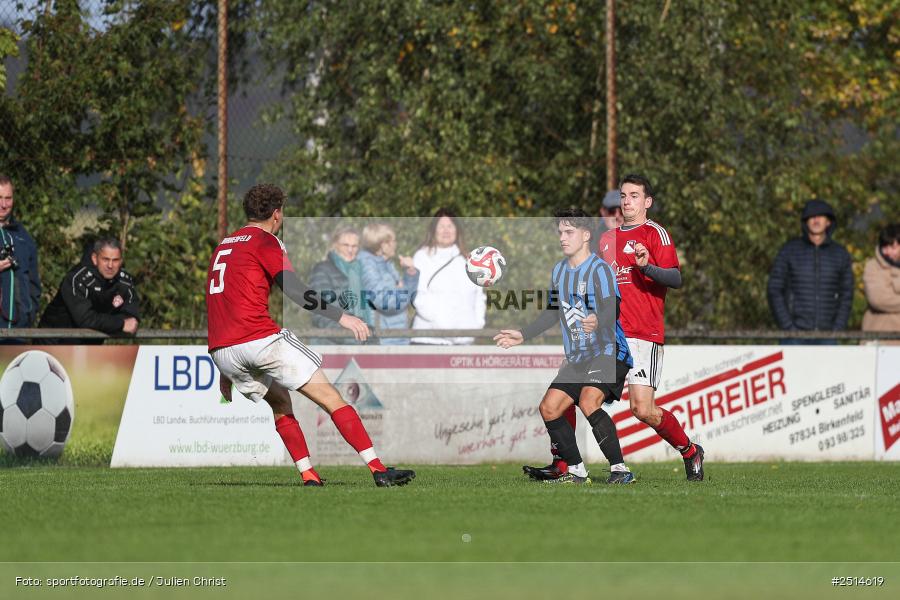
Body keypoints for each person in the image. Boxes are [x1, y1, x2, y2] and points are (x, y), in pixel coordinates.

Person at [205, 183, 414, 487]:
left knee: (280, 402)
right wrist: (341, 315)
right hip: (259, 340)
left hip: (223, 349)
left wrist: (224, 366)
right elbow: (293, 289)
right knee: (330, 397)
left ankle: (309, 475)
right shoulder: (266, 241)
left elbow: (219, 300)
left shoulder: (224, 245)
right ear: (276, 214)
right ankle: (379, 470)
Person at [525, 174, 705, 482]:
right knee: (567, 388)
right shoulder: (606, 240)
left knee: (643, 409)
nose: (626, 201)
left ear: (647, 202)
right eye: (623, 196)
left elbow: (676, 279)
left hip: (643, 334)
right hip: (608, 336)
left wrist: (646, 267)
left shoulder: (656, 234)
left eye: (634, 196)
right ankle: (564, 465)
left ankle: (689, 450)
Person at [495, 208, 635, 485]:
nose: (562, 237)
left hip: (608, 351)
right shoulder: (559, 270)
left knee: (588, 401)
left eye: (569, 231)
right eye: (560, 232)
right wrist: (523, 334)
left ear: (585, 235)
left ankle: (620, 470)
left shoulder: (600, 269)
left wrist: (598, 319)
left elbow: (613, 307)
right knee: (549, 408)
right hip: (579, 357)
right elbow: (552, 312)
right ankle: (577, 471)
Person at [767, 199, 854, 342]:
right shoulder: (789, 250)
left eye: (821, 216)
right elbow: (774, 289)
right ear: (805, 222)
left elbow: (847, 294)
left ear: (829, 222)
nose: (816, 219)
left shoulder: (840, 254)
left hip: (828, 337)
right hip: (794, 337)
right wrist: (788, 327)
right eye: (811, 216)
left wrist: (837, 329)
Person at [40, 238, 139, 344]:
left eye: (115, 260)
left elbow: (131, 316)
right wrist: (120, 324)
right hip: (54, 343)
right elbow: (85, 319)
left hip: (89, 346)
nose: (110, 266)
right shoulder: (77, 279)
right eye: (105, 259)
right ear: (95, 259)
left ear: (121, 261)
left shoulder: (124, 281)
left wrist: (122, 322)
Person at [411, 209, 485, 344]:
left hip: (463, 342)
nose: (446, 230)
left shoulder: (469, 260)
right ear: (433, 230)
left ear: (457, 230)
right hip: (430, 340)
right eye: (441, 226)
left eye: (450, 226)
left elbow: (479, 297)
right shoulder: (421, 257)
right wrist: (442, 325)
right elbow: (418, 296)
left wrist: (477, 324)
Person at [307, 226, 372, 344]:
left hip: (361, 341)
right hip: (330, 344)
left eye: (354, 246)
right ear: (335, 245)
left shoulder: (362, 271)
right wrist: (351, 337)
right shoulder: (322, 269)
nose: (350, 250)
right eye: (346, 245)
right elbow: (320, 312)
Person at [357, 223, 419, 344]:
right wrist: (401, 289)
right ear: (383, 245)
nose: (395, 244)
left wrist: (410, 273)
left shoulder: (387, 265)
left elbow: (409, 298)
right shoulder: (367, 266)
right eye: (393, 241)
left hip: (398, 335)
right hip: (384, 339)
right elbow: (387, 301)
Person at [0, 175, 41, 337]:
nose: (3, 205)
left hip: (19, 330)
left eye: (8, 198)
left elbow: (33, 282)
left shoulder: (23, 235)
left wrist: (29, 313)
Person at [862, 224, 900, 338]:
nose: (888, 252)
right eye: (885, 247)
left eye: (893, 247)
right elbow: (879, 300)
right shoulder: (872, 266)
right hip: (881, 338)